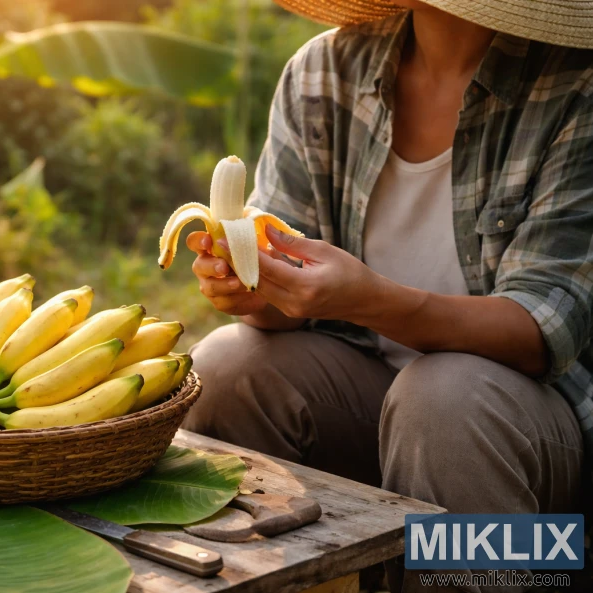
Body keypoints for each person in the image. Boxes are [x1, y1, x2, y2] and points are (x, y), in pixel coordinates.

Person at [180, 1, 592, 591]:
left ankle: (501, 571)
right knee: (226, 365)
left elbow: (541, 330)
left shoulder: (577, 88)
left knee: (443, 400)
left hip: (520, 431)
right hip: (370, 400)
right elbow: (278, 306)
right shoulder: (325, 72)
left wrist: (367, 298)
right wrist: (253, 288)